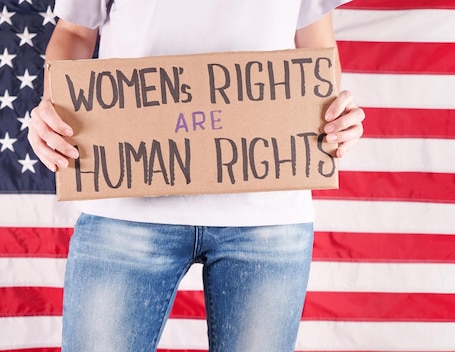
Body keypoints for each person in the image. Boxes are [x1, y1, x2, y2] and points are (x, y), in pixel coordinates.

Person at [28, 0, 365, 351]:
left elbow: (317, 47)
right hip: (127, 204)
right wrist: (52, 109)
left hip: (267, 211)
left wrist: (335, 119)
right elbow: (74, 32)